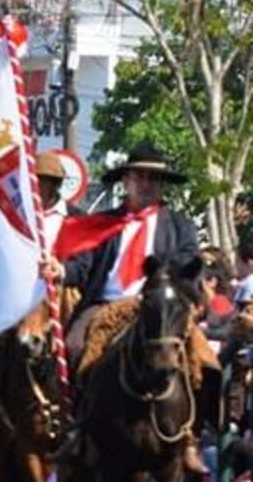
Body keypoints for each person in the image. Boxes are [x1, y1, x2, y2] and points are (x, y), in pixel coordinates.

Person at [57, 145, 201, 366]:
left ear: (161, 185)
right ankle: (76, 400)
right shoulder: (102, 223)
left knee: (207, 362)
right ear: (125, 181)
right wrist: (61, 270)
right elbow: (82, 266)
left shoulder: (180, 227)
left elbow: (188, 265)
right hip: (105, 305)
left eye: (153, 179)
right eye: (139, 177)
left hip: (161, 307)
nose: (145, 184)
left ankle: (215, 400)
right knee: (74, 345)